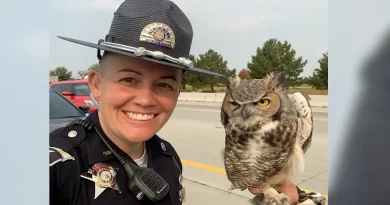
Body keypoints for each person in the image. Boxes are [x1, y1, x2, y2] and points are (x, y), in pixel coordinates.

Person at [49, 0, 325, 205]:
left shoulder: (166, 157)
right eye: (129, 80)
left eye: (165, 84)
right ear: (96, 83)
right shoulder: (55, 165)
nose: (146, 99)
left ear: (179, 91)